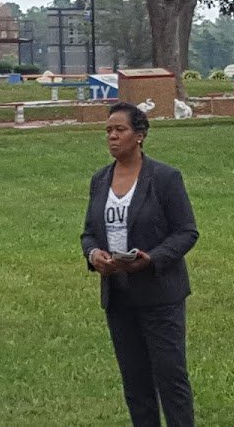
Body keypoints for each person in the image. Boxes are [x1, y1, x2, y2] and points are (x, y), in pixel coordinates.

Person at [81, 102, 199, 427]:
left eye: (120, 130)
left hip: (160, 295)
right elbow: (89, 234)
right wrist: (94, 256)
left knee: (170, 380)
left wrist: (151, 259)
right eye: (108, 131)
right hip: (119, 298)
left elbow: (187, 231)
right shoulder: (100, 180)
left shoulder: (164, 178)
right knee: (135, 385)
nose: (112, 137)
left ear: (140, 135)